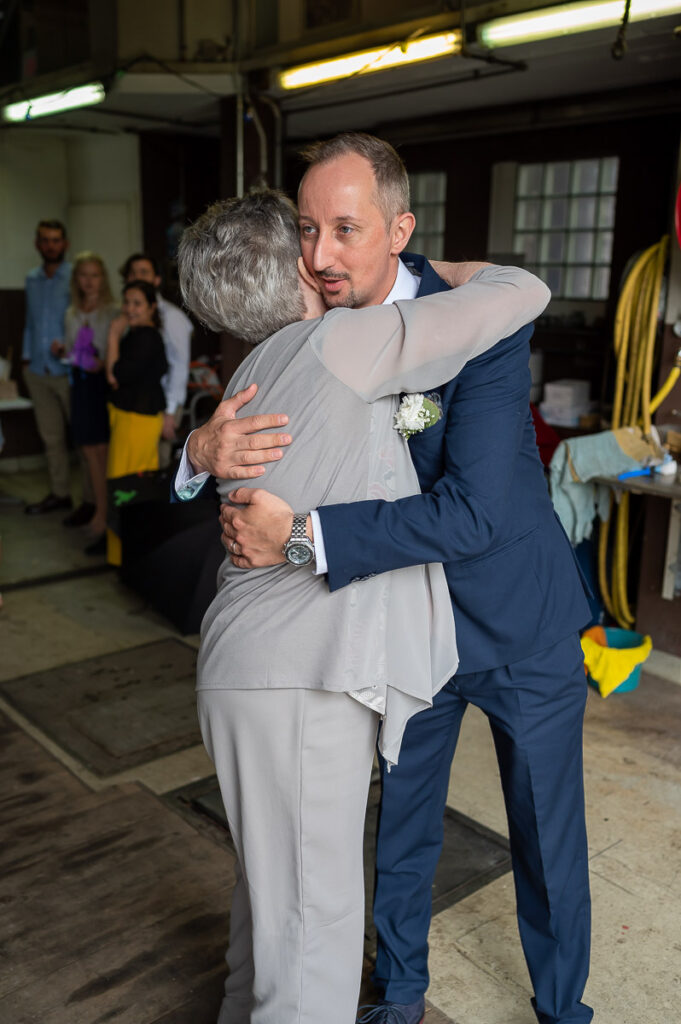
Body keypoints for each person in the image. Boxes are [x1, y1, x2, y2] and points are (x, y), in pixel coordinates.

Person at [179, 133, 594, 1024]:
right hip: (406, 628)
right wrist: (199, 448)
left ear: (396, 231)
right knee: (398, 831)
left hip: (514, 614)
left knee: (546, 833)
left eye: (345, 229)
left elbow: (476, 511)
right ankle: (397, 996)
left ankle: (562, 1010)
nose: (323, 255)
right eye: (307, 231)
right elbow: (255, 433)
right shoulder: (310, 336)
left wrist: (305, 536)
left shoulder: (469, 321)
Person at [22, 219, 89, 518]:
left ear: (65, 244)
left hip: (69, 371)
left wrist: (71, 349)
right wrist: (26, 359)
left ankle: (90, 501)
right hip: (38, 370)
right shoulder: (32, 279)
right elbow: (30, 323)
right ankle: (60, 494)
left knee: (83, 439)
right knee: (51, 439)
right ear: (38, 244)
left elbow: (86, 320)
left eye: (56, 240)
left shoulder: (75, 277)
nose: (50, 245)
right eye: (45, 240)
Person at [105, 279, 168, 565]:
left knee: (127, 485)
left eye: (137, 303)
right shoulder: (140, 335)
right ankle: (130, 553)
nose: (129, 309)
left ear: (152, 307)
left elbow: (115, 376)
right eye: (127, 302)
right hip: (133, 419)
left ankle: (130, 555)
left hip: (137, 422)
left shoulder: (145, 337)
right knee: (127, 484)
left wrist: (112, 337)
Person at [64, 252, 119, 552]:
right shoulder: (71, 312)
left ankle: (106, 516)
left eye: (94, 275)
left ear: (103, 278)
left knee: (103, 453)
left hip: (101, 386)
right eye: (83, 275)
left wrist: (102, 362)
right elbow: (73, 351)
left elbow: (114, 354)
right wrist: (65, 350)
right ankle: (99, 511)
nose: (89, 281)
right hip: (80, 385)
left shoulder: (112, 311)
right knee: (88, 453)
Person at [118, 252, 193, 465]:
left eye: (144, 272)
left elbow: (179, 366)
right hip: (137, 405)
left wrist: (169, 413)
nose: (137, 277)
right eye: (132, 273)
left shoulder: (171, 316)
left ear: (157, 279)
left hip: (162, 404)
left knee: (156, 467)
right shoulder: (129, 314)